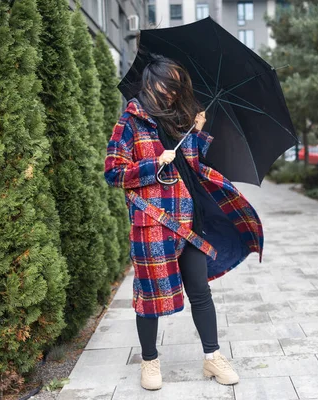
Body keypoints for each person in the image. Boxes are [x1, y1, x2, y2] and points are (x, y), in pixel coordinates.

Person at [104, 55, 263, 391]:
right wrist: (151, 164)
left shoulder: (179, 121)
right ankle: (149, 362)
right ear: (151, 81)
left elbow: (188, 164)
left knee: (201, 292)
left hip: (189, 220)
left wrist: (198, 132)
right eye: (168, 84)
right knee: (149, 298)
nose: (173, 93)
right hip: (153, 223)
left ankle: (212, 357)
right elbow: (113, 173)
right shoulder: (130, 122)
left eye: (178, 86)